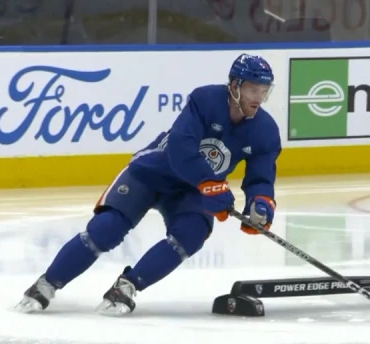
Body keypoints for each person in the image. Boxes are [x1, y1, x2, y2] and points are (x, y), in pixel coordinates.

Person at [16, 53, 281, 316]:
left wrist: (260, 205)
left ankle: (127, 287)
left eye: (263, 91)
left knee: (191, 234)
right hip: (151, 173)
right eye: (252, 89)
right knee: (106, 229)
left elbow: (261, 177)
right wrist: (211, 183)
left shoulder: (265, 130)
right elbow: (180, 149)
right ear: (235, 86)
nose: (258, 98)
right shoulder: (204, 100)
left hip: (191, 191)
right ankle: (46, 284)